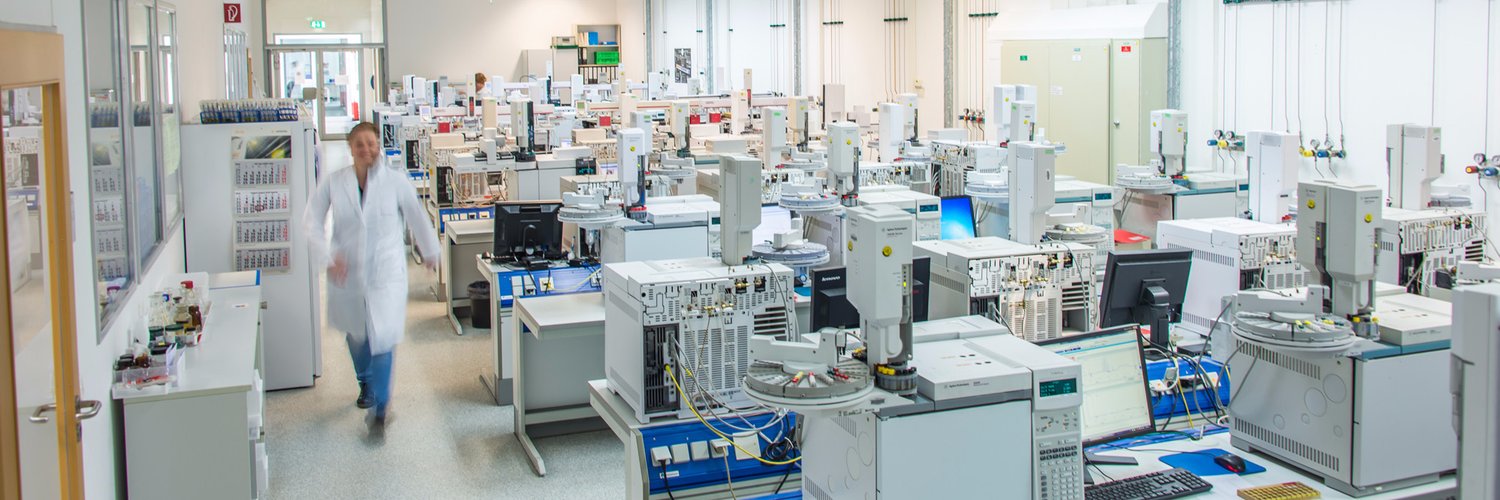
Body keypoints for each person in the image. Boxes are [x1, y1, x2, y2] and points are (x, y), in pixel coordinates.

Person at [304, 121, 440, 435]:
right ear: (351, 149)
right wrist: (327, 256)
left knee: (383, 336)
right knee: (357, 336)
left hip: (385, 271)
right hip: (347, 271)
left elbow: (416, 214)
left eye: (371, 143)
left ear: (378, 146)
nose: (366, 149)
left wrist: (430, 250)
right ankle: (364, 382)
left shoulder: (395, 181)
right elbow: (311, 221)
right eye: (359, 144)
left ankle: (380, 408)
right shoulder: (335, 182)